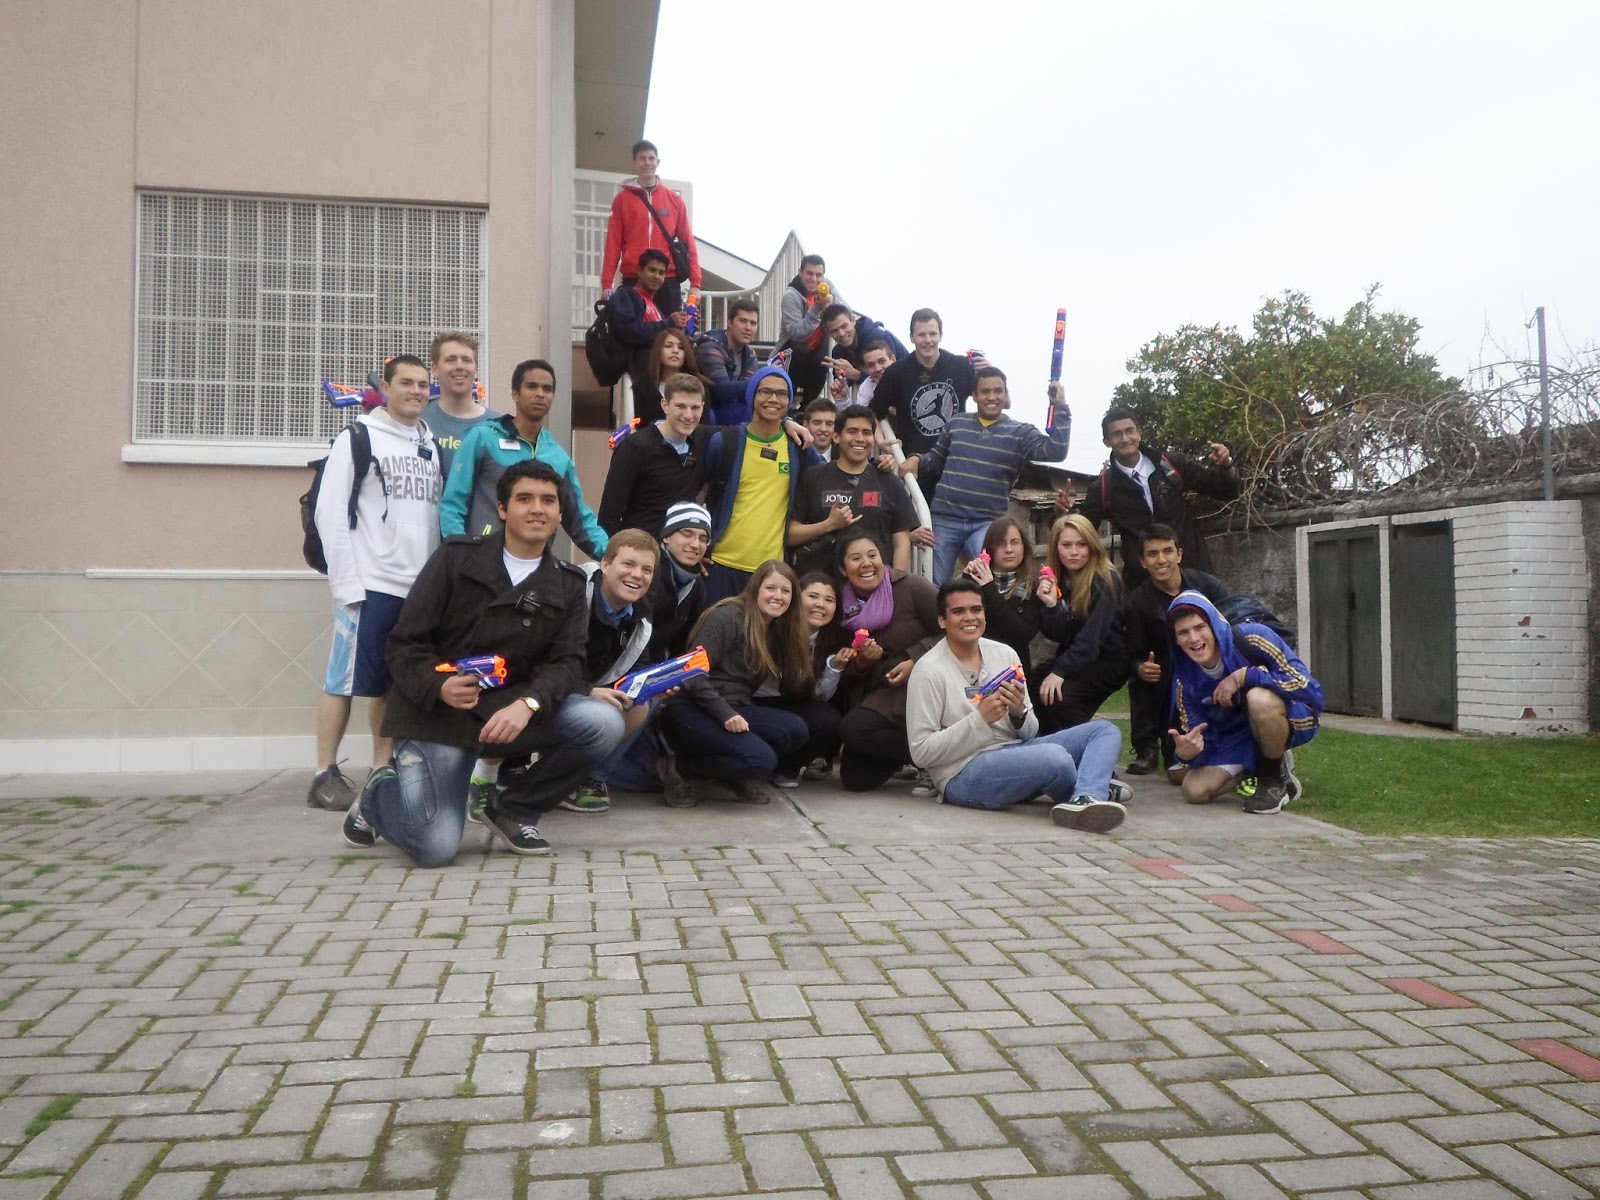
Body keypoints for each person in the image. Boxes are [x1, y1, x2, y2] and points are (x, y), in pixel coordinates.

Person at [342, 460, 627, 862]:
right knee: (434, 849)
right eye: (525, 499)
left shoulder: (568, 583)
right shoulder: (455, 559)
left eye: (548, 501)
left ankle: (514, 809)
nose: (537, 509)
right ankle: (379, 794)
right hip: (440, 716)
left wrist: (528, 704)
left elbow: (566, 663)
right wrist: (439, 685)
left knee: (602, 722)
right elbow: (404, 644)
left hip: (509, 714)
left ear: (560, 513)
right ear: (503, 509)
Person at [309, 354, 443, 812]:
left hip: (416, 587)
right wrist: (346, 584)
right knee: (343, 680)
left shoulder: (430, 445)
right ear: (385, 388)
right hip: (369, 583)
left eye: (423, 384)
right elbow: (329, 513)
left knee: (390, 684)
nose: (416, 391)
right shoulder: (358, 437)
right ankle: (323, 774)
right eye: (406, 382)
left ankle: (381, 769)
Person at [907, 580, 1129, 833]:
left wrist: (1018, 713)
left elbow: (1030, 732)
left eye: (976, 609)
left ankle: (1086, 797)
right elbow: (921, 753)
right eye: (959, 611)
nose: (970, 617)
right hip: (962, 772)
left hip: (1016, 751)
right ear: (942, 621)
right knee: (1055, 759)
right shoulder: (928, 671)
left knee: (1104, 731)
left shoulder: (1005, 654)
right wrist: (979, 720)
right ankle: (1095, 785)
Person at [657, 561, 813, 808]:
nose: (778, 596)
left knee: (796, 730)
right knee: (760, 760)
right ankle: (679, 768)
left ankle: (731, 771)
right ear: (756, 588)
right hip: (689, 709)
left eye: (786, 591)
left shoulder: (778, 628)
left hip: (736, 706)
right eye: (771, 588)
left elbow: (794, 684)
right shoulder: (728, 616)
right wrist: (725, 714)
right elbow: (691, 672)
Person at [902, 367, 1071, 583]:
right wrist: (917, 458)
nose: (992, 397)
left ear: (1006, 394)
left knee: (992, 580)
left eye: (998, 391)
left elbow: (1056, 451)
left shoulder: (1020, 433)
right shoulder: (956, 423)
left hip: (987, 523)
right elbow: (935, 459)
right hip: (945, 519)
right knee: (935, 584)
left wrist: (1060, 406)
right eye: (985, 391)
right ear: (974, 395)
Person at [1167, 591, 1323, 814]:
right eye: (1183, 632)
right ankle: (1274, 761)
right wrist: (1186, 754)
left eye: (1200, 627)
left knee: (1259, 699)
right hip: (1239, 736)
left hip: (1293, 715)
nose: (1193, 638)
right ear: (1175, 640)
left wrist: (1245, 677)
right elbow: (1203, 739)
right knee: (1194, 791)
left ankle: (1271, 782)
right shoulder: (1184, 679)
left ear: (1214, 624)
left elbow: (1309, 688)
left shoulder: (1252, 637)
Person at [440, 358, 607, 560]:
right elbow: (453, 504)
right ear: (515, 393)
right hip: (481, 560)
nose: (540, 394)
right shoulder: (482, 437)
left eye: (547, 389)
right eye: (532, 386)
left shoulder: (558, 457)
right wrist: (458, 553)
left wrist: (614, 556)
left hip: (535, 566)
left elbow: (580, 520)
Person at [1070, 408, 1241, 588]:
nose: (1125, 438)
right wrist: (1064, 513)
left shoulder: (1172, 465)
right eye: (1117, 434)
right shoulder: (1104, 488)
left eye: (1130, 431)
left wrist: (1226, 466)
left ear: (1139, 433)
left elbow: (1225, 490)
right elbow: (1082, 531)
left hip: (1193, 575)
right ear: (1107, 441)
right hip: (1143, 586)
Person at [701, 366, 823, 603]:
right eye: (765, 391)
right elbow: (697, 492)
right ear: (752, 396)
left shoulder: (798, 448)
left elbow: (827, 478)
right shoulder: (724, 442)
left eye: (782, 393)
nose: (773, 399)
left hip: (771, 573)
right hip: (720, 564)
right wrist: (695, 547)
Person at [563, 528, 662, 816]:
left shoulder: (641, 614)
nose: (637, 575)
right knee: (601, 714)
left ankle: (590, 780)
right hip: (545, 691)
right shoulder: (572, 592)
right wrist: (588, 691)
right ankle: (517, 772)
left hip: (589, 692)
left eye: (646, 569)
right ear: (605, 564)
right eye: (628, 564)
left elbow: (638, 666)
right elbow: (542, 663)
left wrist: (655, 682)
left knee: (643, 702)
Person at [833, 532, 942, 791]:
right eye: (856, 559)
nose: (866, 564)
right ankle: (924, 753)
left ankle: (939, 755)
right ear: (843, 569)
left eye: (872, 555)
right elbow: (840, 671)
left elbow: (954, 629)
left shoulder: (911, 587)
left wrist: (915, 659)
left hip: (918, 687)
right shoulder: (839, 605)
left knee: (854, 729)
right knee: (855, 780)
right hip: (875, 693)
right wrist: (862, 663)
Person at [1124, 523, 1231, 781]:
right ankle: (1147, 747)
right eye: (1152, 554)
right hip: (1167, 675)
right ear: (1143, 562)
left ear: (1179, 554)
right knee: (1145, 679)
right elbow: (1131, 652)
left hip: (1211, 667)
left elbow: (1231, 629)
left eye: (1167, 551)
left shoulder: (1208, 586)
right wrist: (1140, 667)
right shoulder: (1137, 603)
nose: (1161, 560)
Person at [790, 404, 916, 576]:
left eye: (866, 433)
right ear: (836, 436)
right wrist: (828, 525)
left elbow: (902, 542)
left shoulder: (889, 481)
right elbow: (791, 535)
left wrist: (895, 583)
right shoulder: (812, 477)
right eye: (852, 431)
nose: (860, 438)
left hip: (873, 584)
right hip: (823, 586)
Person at [1035, 514, 1129, 733]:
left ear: (1092, 546)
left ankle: (1093, 746)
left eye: (1081, 544)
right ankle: (1049, 745)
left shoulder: (1105, 578)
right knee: (1033, 684)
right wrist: (1051, 606)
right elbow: (1058, 634)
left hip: (1109, 660)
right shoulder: (1059, 577)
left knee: (1060, 698)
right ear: (1056, 547)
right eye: (1066, 545)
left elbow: (1091, 639)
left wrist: (1060, 671)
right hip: (1080, 657)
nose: (1074, 552)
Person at [869, 308, 982, 465]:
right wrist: (881, 441)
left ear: (940, 335)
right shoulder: (896, 372)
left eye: (933, 334)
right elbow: (873, 412)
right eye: (921, 334)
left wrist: (990, 372)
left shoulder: (962, 366)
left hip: (954, 461)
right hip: (913, 465)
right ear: (912, 337)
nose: (928, 340)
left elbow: (995, 401)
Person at [600, 139, 700, 317]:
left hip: (666, 278)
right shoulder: (622, 200)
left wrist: (695, 283)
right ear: (634, 162)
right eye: (642, 158)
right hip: (634, 277)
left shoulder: (674, 200)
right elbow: (613, 244)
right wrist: (607, 284)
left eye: (651, 158)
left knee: (669, 331)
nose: (647, 163)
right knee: (631, 331)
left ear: (657, 162)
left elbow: (688, 242)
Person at [785, 571, 855, 783]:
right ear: (796, 598)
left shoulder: (832, 639)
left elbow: (820, 696)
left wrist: (834, 667)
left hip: (802, 702)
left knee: (827, 719)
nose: (820, 605)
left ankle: (808, 760)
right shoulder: (779, 630)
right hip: (771, 701)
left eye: (829, 600)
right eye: (812, 596)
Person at [610, 250, 690, 425]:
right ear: (639, 271)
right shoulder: (626, 295)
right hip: (644, 383)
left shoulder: (655, 306)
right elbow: (629, 331)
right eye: (652, 270)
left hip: (661, 380)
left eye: (661, 273)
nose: (657, 276)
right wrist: (669, 322)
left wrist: (682, 328)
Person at [962, 516, 1046, 667]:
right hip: (976, 663)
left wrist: (989, 588)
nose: (1009, 550)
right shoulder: (974, 581)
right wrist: (967, 580)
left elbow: (1022, 636)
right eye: (1001, 543)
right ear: (989, 549)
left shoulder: (1034, 586)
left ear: (1024, 546)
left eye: (1015, 542)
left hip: (1013, 668)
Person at [646, 501, 712, 660]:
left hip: (656, 668)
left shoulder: (696, 585)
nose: (695, 544)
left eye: (703, 539)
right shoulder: (648, 571)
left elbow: (684, 645)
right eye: (687, 534)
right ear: (666, 537)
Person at [419, 332, 489, 478]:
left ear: (476, 370)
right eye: (451, 360)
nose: (459, 366)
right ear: (435, 368)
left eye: (466, 360)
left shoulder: (497, 425)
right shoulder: (418, 420)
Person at [777, 254, 843, 402]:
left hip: (815, 358)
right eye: (809, 273)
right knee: (800, 349)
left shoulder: (827, 285)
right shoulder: (791, 295)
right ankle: (787, 403)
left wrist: (832, 300)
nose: (814, 279)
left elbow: (846, 311)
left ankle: (807, 407)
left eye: (818, 274)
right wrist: (817, 308)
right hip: (790, 357)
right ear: (800, 272)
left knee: (823, 359)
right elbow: (796, 334)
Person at [698, 298, 761, 425]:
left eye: (753, 323)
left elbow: (749, 393)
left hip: (732, 409)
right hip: (707, 409)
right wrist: (763, 380)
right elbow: (721, 390)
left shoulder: (750, 354)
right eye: (743, 321)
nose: (748, 328)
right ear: (729, 323)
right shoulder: (710, 347)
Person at [820, 305, 909, 389]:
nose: (841, 333)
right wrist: (841, 383)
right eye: (835, 331)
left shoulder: (878, 338)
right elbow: (843, 381)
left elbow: (889, 379)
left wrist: (856, 374)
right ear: (828, 333)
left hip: (909, 383)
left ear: (853, 321)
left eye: (844, 326)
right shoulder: (838, 352)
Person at [851, 338, 897, 411]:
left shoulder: (908, 378)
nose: (878, 369)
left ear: (893, 360)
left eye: (882, 361)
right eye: (871, 365)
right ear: (866, 369)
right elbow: (861, 415)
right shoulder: (867, 386)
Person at [804, 397, 838, 462]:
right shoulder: (796, 457)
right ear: (806, 425)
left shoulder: (845, 457)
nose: (823, 429)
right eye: (817, 423)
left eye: (829, 424)